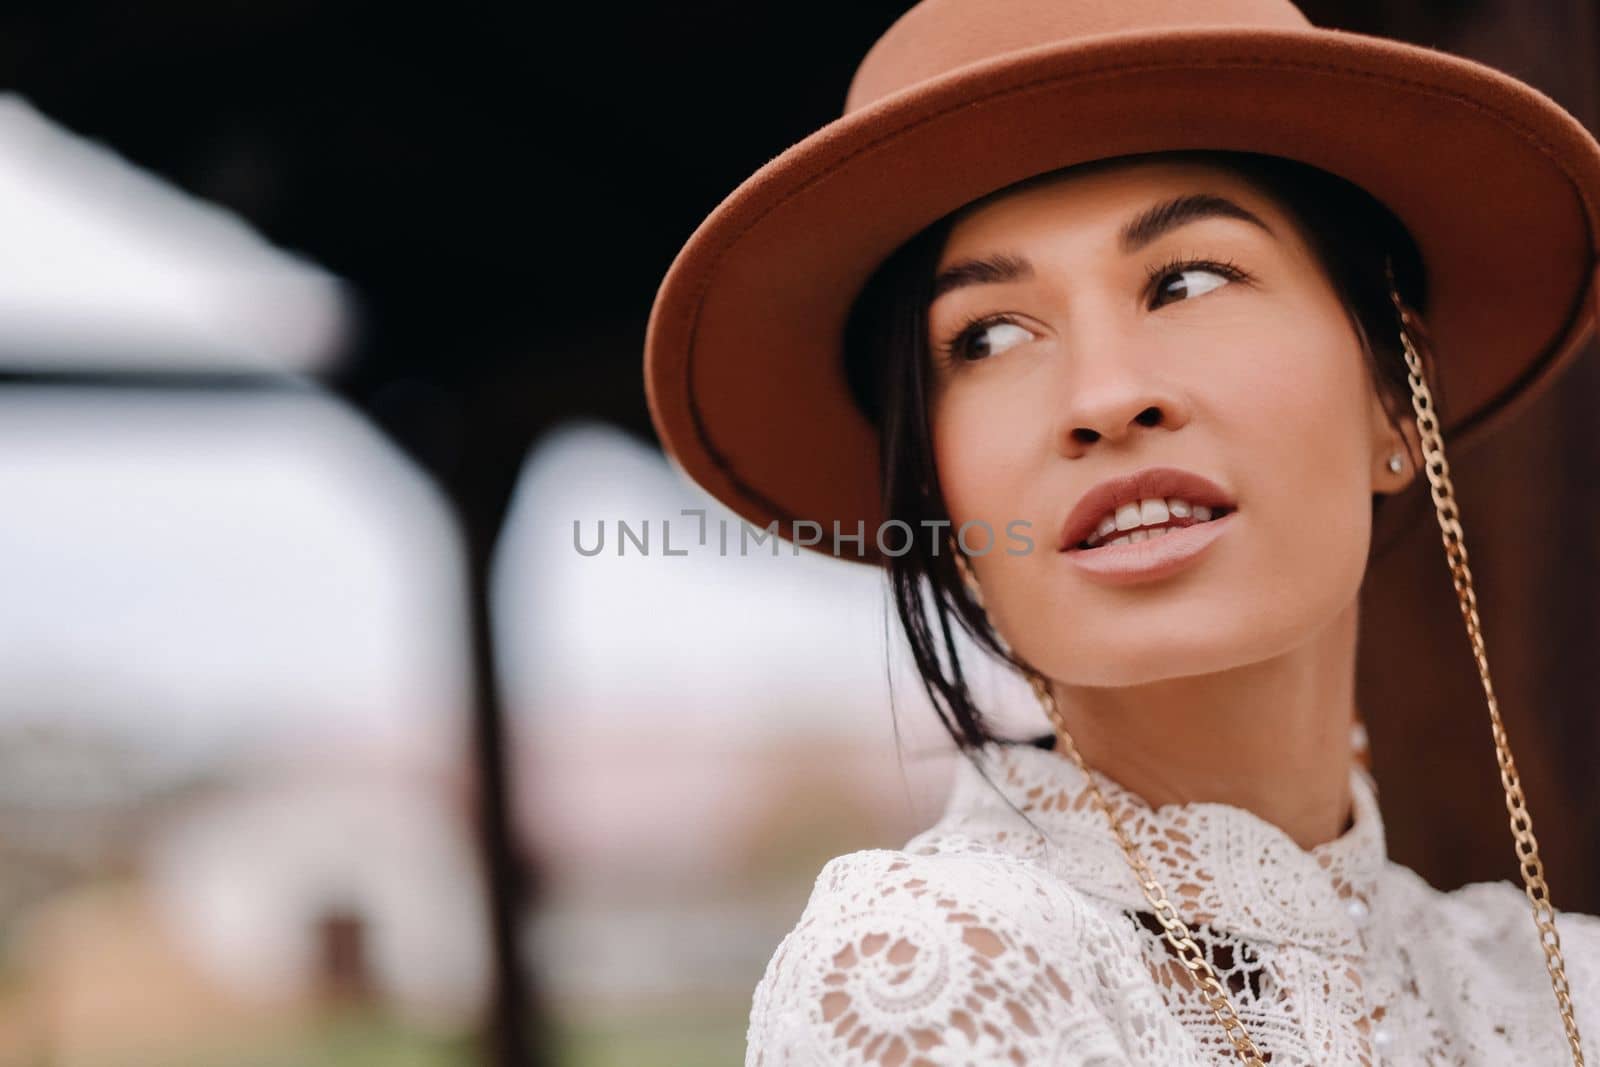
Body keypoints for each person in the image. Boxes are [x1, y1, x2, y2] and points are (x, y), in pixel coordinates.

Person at [642, 0, 1600, 1063]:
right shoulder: (934, 970)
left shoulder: (1561, 983)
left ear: (1392, 390)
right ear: (939, 502)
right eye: (989, 334)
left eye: (1185, 279)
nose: (1102, 395)